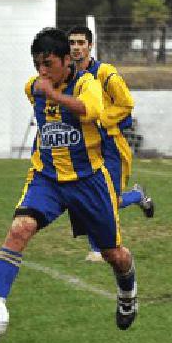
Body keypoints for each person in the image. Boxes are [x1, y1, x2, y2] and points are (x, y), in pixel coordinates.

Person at [0, 27, 139, 343]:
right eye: (37, 64)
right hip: (47, 178)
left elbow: (91, 110)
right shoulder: (33, 88)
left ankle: (127, 291)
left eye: (48, 63)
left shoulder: (86, 83)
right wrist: (46, 92)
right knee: (20, 228)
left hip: (88, 181)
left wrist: (52, 94)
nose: (41, 71)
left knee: (113, 254)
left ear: (67, 60)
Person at [67, 26, 155, 262]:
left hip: (111, 144)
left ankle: (102, 244)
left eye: (80, 43)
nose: (76, 47)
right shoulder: (69, 76)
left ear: (90, 46)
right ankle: (98, 246)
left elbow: (126, 103)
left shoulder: (105, 72)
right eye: (72, 43)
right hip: (85, 146)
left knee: (109, 199)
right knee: (88, 196)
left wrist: (102, 121)